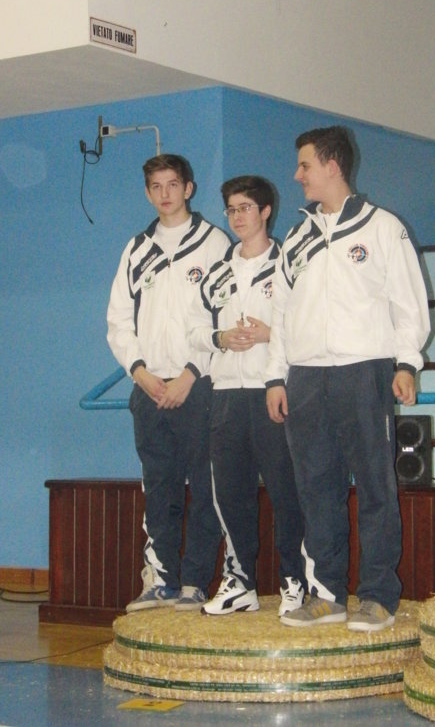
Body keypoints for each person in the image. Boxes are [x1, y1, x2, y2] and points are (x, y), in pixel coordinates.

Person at [266, 126, 430, 632]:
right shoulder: (297, 238)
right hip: (305, 377)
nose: (297, 175)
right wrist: (275, 378)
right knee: (317, 489)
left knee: (376, 487)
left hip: (365, 372)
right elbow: (280, 314)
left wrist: (407, 363)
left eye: (305, 165)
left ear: (332, 165)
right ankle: (327, 593)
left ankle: (378, 596)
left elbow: (408, 302)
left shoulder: (383, 228)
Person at [107, 153, 229, 612]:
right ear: (147, 193)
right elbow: (119, 321)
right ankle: (160, 580)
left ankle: (195, 581)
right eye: (156, 186)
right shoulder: (136, 249)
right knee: (159, 489)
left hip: (199, 387)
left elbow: (225, 317)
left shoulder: (213, 243)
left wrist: (191, 374)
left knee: (205, 488)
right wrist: (139, 372)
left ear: (188, 188)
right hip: (149, 389)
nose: (165, 194)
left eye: (173, 184)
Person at [189, 175, 306, 617]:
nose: (237, 217)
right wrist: (219, 338)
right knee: (230, 494)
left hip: (272, 392)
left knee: (286, 492)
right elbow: (193, 329)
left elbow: (310, 327)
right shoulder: (217, 272)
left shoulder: (289, 265)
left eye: (245, 208)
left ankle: (294, 580)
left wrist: (270, 334)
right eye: (231, 210)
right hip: (225, 396)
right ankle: (239, 583)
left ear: (266, 211)